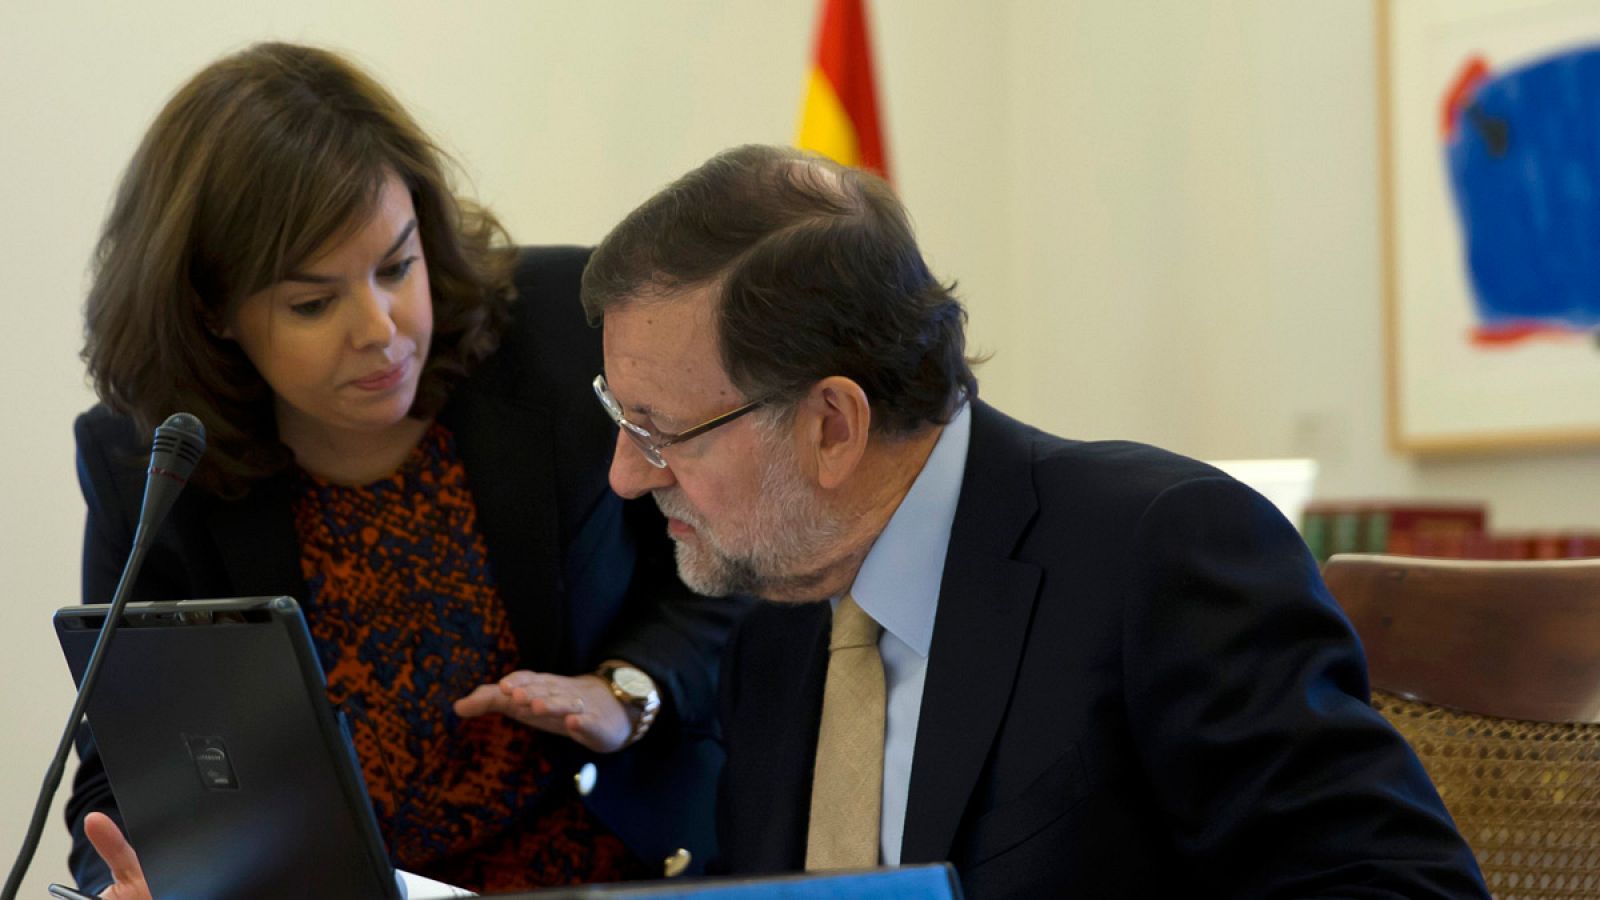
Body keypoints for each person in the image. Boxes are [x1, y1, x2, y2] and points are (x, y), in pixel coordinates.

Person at [578, 144, 1492, 898]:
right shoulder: (773, 622)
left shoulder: (1160, 554)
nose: (625, 476)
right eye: (623, 422)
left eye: (660, 432)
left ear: (832, 426)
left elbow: (1397, 891)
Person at [69, 42, 742, 896]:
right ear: (214, 313)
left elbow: (731, 572)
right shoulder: (154, 462)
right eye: (314, 303)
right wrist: (124, 884)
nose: (381, 329)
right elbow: (122, 775)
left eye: (397, 266)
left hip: (616, 865)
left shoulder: (568, 335)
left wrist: (624, 694)